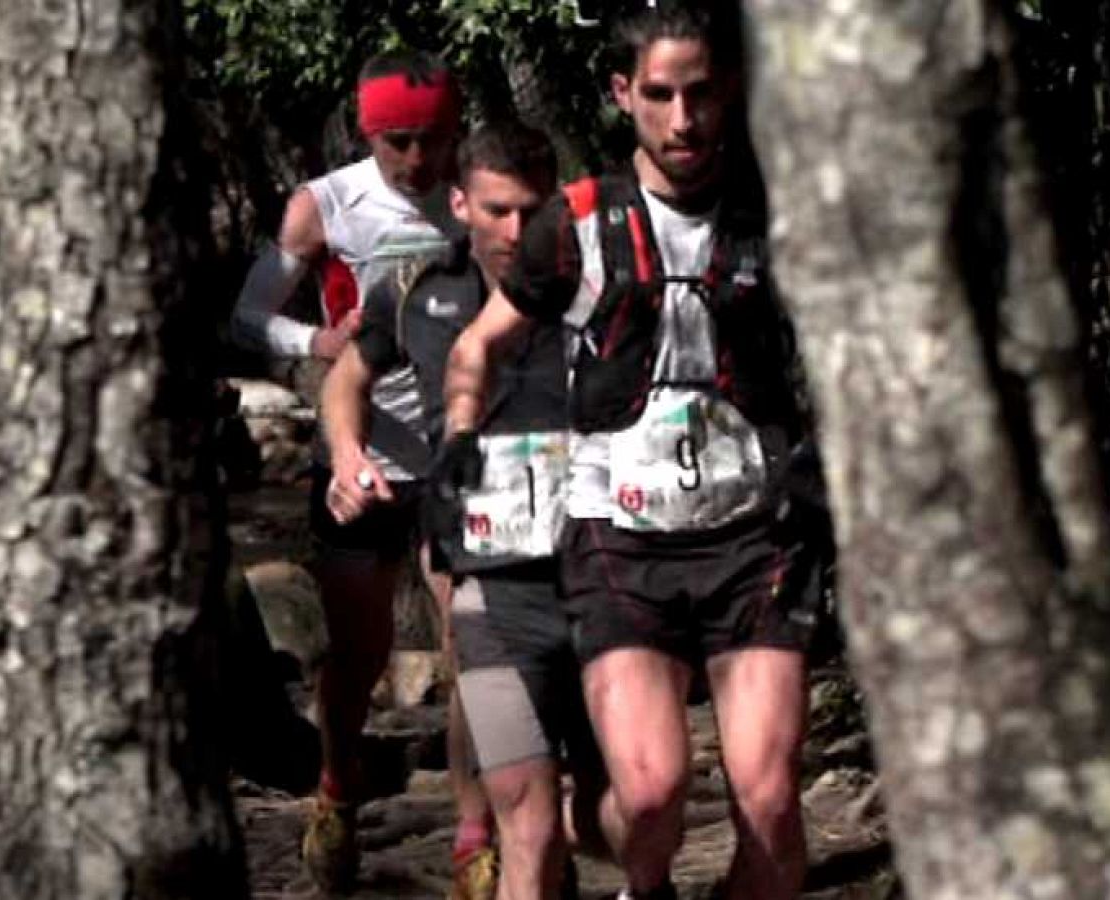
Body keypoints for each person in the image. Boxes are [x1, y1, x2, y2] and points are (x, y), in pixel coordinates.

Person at [441, 6, 822, 899]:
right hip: (621, 539)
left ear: (727, 88)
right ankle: (635, 880)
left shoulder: (783, 209)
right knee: (650, 797)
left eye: (699, 93)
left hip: (754, 539)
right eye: (659, 95)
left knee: (769, 807)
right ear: (623, 95)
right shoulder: (577, 223)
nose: (683, 119)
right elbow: (477, 347)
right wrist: (460, 445)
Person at [229, 51, 495, 896]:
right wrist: (316, 343)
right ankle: (337, 789)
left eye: (437, 140)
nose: (421, 160)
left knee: (478, 650)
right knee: (357, 653)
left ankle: (475, 836)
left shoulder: (477, 197)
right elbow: (248, 315)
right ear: (367, 133)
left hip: (466, 456)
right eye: (401, 143)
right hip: (363, 457)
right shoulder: (327, 203)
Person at [322, 122, 605, 900]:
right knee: (528, 813)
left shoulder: (603, 284)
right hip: (486, 564)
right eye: (497, 211)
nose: (517, 232)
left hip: (607, 574)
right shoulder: (419, 288)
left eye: (533, 211)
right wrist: (350, 455)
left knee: (627, 805)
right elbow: (347, 376)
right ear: (460, 205)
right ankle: (480, 838)